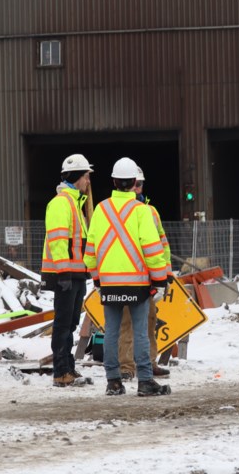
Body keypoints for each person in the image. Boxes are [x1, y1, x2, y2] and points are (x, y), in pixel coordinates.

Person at [84, 157, 171, 397]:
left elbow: (90, 251)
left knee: (111, 331)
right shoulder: (142, 211)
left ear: (113, 181)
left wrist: (97, 280)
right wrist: (160, 280)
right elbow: (153, 251)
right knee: (141, 332)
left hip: (109, 283)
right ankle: (145, 381)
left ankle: (113, 381)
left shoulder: (101, 209)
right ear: (134, 182)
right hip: (138, 284)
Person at [42, 154, 94, 387]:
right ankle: (60, 372)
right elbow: (58, 241)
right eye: (85, 176)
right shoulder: (62, 203)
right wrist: (63, 272)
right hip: (66, 274)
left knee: (70, 322)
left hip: (75, 274)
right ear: (75, 177)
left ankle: (68, 367)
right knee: (63, 323)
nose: (87, 182)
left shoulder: (74, 203)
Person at [117, 166, 172, 381]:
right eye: (135, 184)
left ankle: (149, 363)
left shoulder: (150, 212)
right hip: (127, 277)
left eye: (140, 184)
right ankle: (126, 366)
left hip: (148, 278)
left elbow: (161, 245)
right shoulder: (118, 211)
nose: (138, 188)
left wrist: (164, 274)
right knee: (127, 322)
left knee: (149, 320)